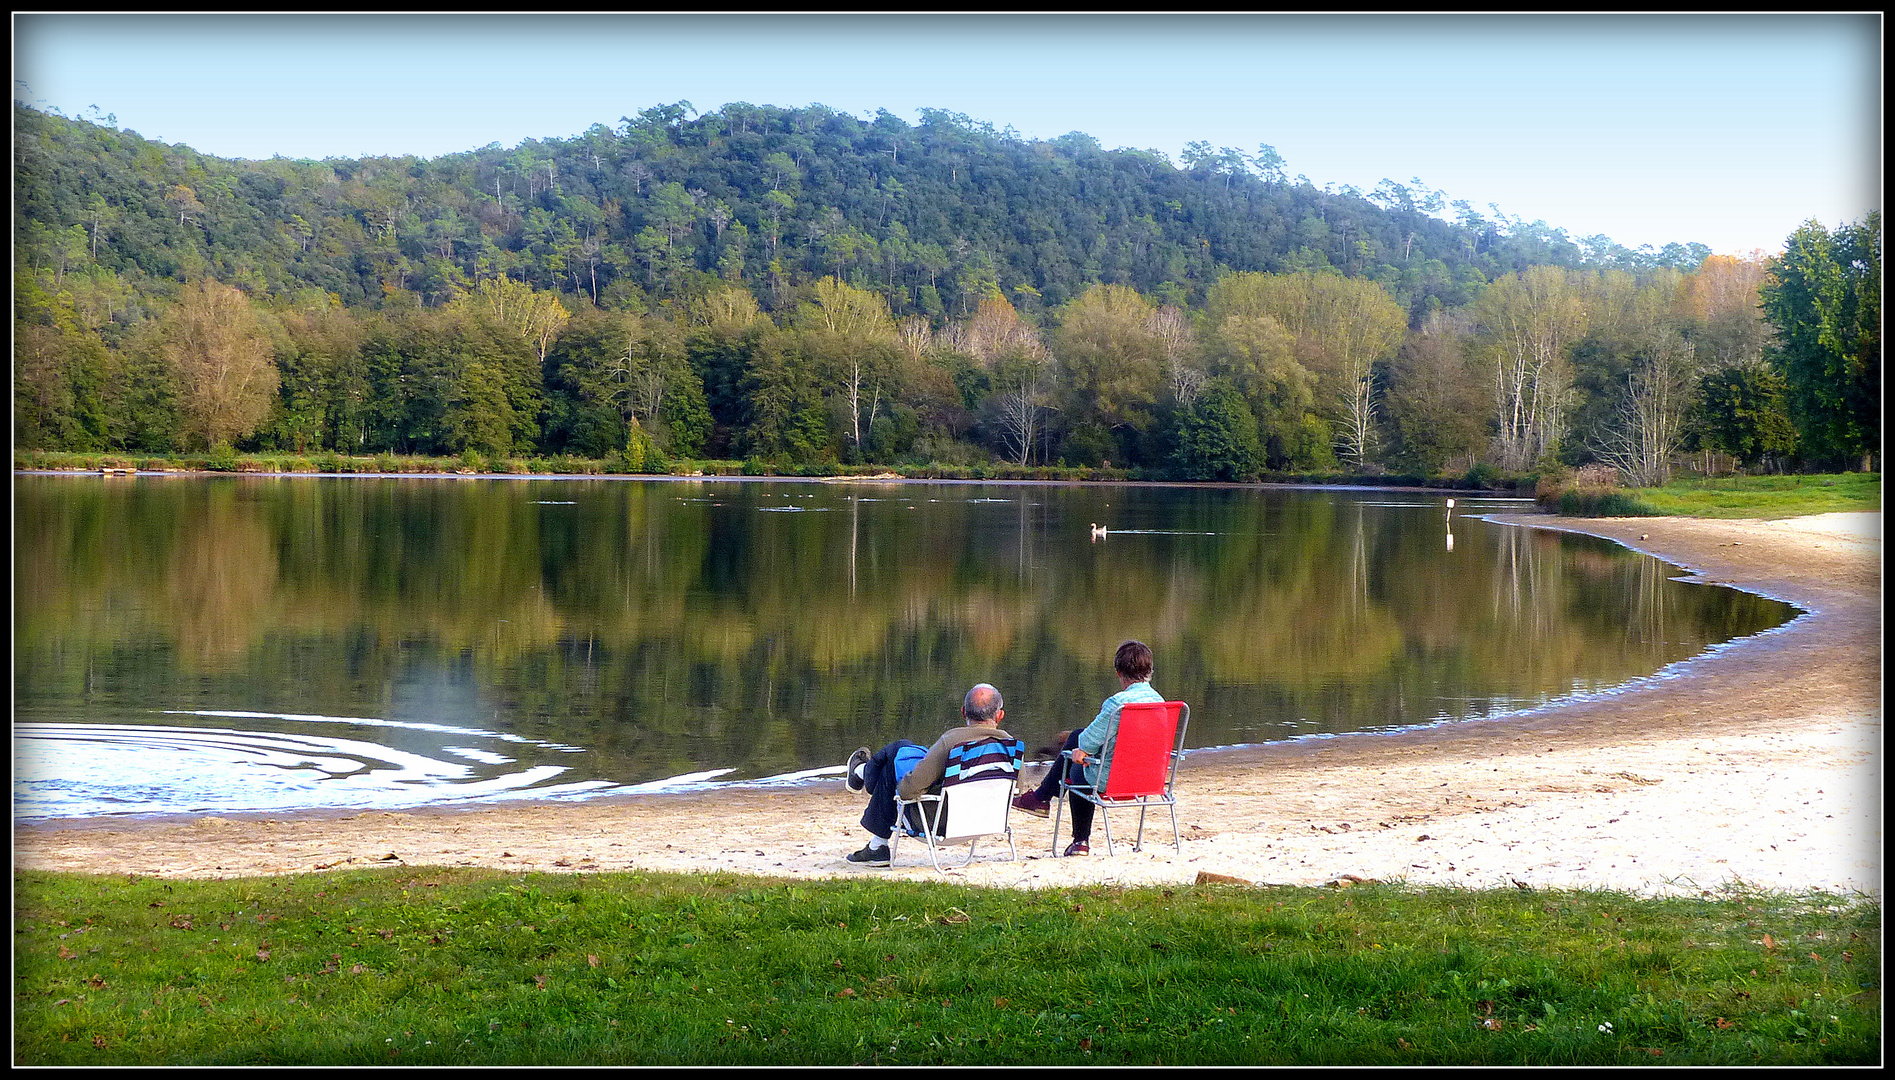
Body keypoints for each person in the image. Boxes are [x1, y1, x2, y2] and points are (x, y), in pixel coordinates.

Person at [1011, 640, 1163, 856]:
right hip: (1149, 779)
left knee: (1076, 770)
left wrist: (1081, 750)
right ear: (1149, 671)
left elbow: (1086, 743)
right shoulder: (1161, 703)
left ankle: (1079, 839)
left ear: (1119, 673)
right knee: (1076, 737)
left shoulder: (1118, 704)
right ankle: (1041, 798)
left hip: (1114, 781)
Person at [842, 683, 1013, 865]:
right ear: (1000, 715)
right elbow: (1014, 790)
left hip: (940, 824)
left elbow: (908, 791)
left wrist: (897, 781)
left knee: (892, 763)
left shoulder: (951, 742)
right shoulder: (1011, 747)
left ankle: (863, 776)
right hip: (984, 822)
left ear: (963, 712)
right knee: (903, 750)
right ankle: (863, 775)